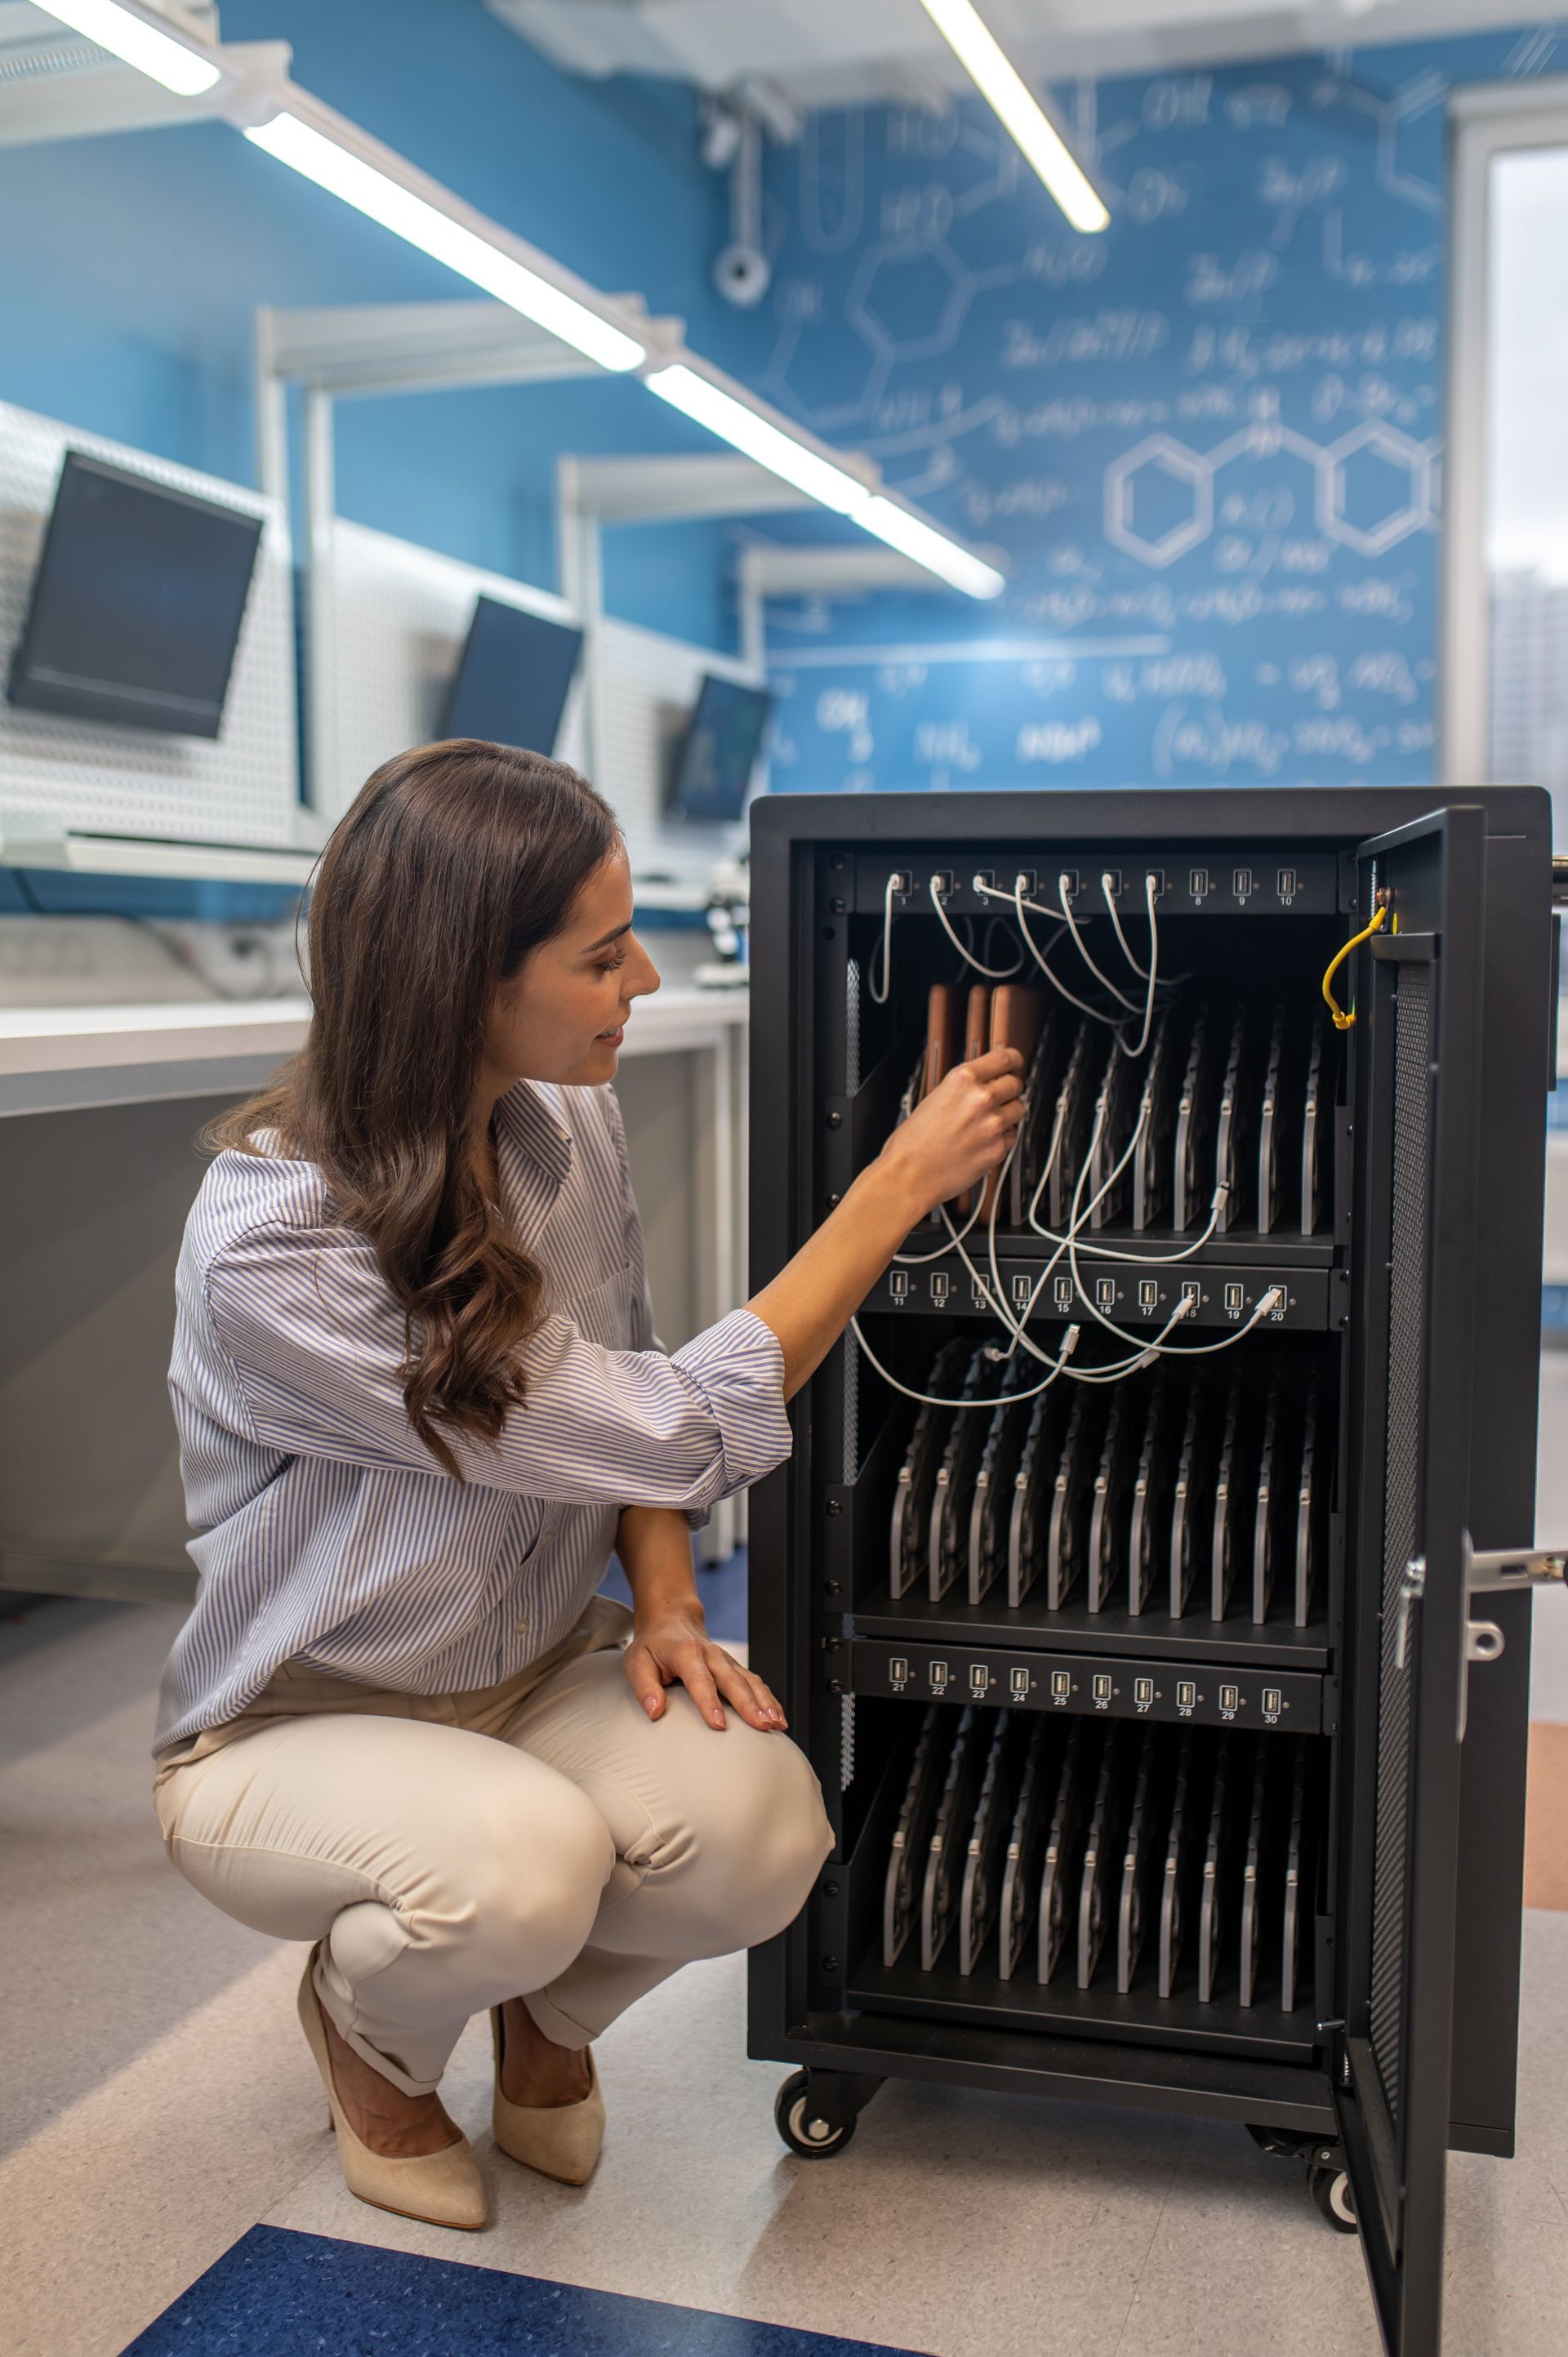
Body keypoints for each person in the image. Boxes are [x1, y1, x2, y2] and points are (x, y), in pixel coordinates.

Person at [150, 741, 1024, 2231]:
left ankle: (541, 2020)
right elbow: (673, 1418)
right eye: (606, 955)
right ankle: (371, 2038)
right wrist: (893, 1188)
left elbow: (614, 1378)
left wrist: (671, 1598)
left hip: (529, 1661)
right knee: (527, 1872)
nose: (649, 986)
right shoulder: (280, 1249)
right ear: (461, 980)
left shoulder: (569, 1119)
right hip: (301, 1715)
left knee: (765, 1833)